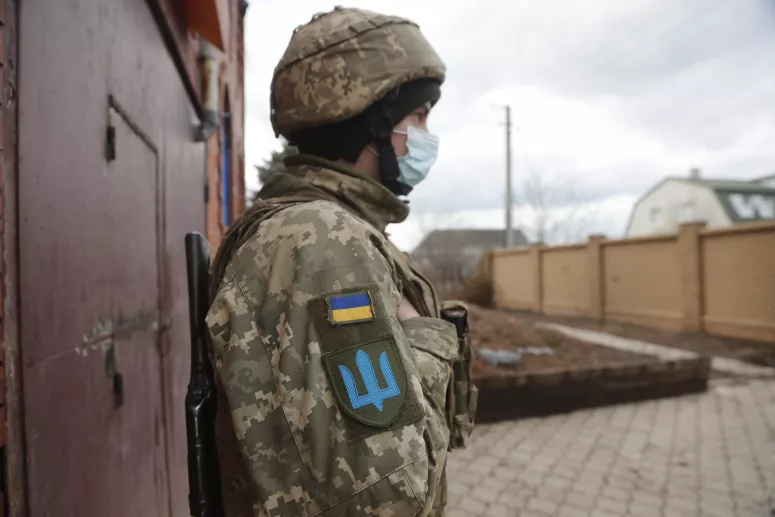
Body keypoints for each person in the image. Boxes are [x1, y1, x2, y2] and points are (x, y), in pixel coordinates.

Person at [206, 7, 476, 516]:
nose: (425, 136)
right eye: (417, 116)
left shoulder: (326, 231)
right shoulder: (320, 242)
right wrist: (427, 339)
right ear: (368, 119)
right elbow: (384, 498)